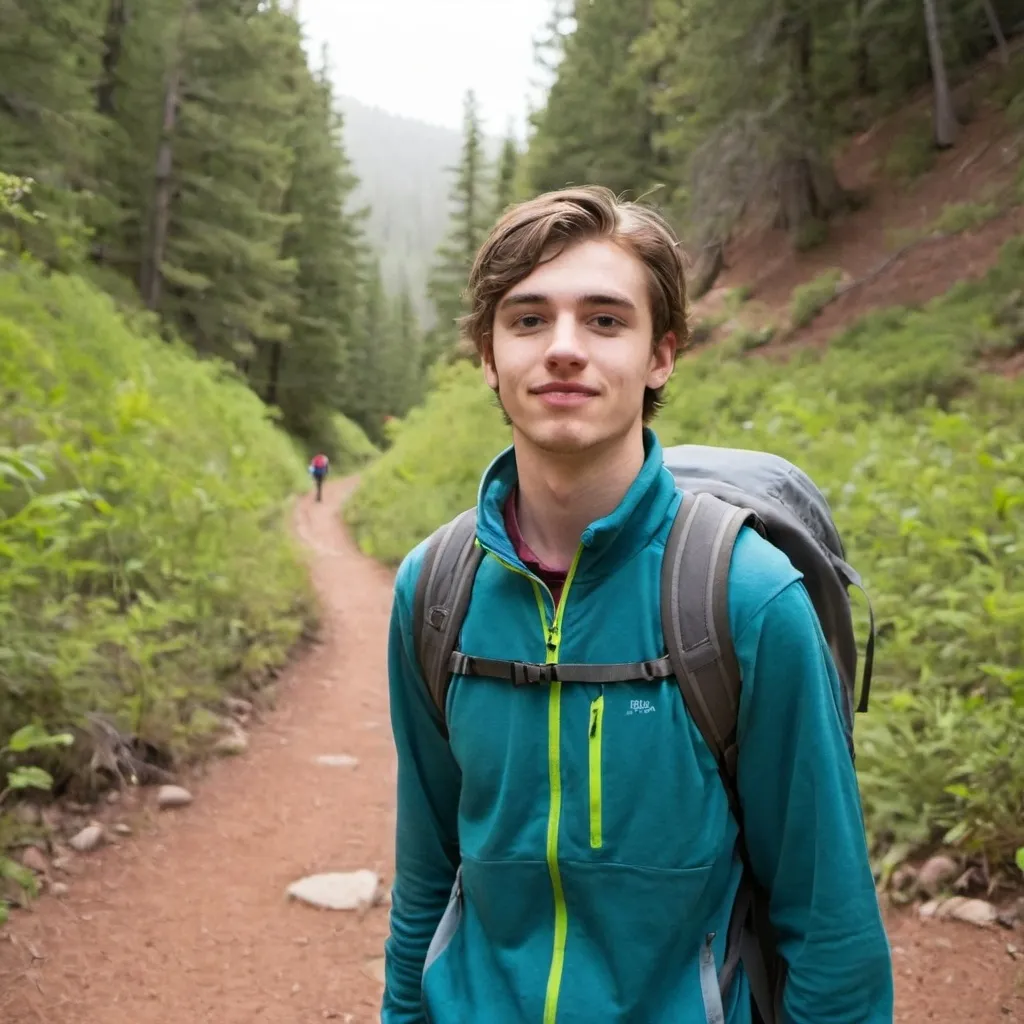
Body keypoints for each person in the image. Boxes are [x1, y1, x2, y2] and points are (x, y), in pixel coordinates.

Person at [382, 185, 894, 1023]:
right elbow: (427, 873)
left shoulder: (746, 598)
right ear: (488, 354)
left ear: (662, 355)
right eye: (528, 319)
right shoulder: (436, 590)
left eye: (606, 320)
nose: (564, 349)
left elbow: (829, 919)